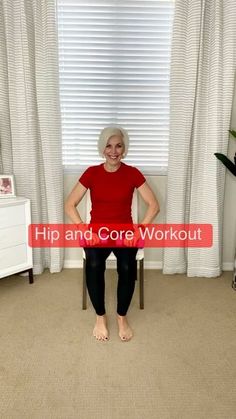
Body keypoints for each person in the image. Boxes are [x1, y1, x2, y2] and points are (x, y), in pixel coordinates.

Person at [65, 126, 159, 342]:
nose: (113, 151)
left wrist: (140, 229)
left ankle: (121, 317)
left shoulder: (132, 172)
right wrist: (82, 228)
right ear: (102, 148)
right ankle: (100, 317)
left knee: (126, 267)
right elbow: (70, 204)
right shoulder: (92, 172)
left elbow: (153, 205)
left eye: (118, 146)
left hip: (125, 234)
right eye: (109, 146)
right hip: (97, 234)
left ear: (124, 149)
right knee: (95, 265)